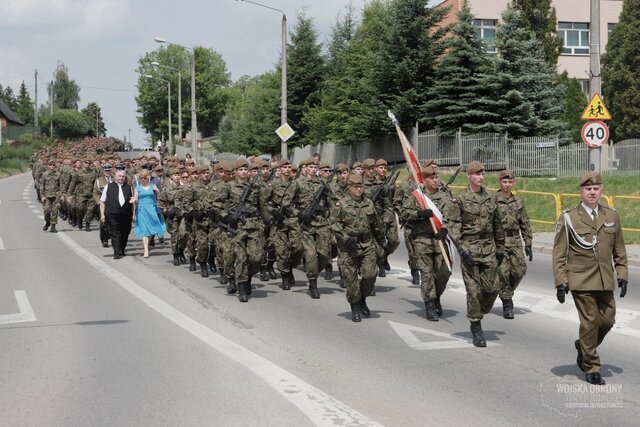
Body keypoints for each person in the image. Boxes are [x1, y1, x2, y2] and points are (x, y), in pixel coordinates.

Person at [553, 172, 628, 385]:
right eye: (588, 189)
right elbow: (559, 252)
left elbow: (619, 249)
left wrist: (622, 274)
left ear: (601, 191)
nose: (592, 192)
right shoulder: (569, 217)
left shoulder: (611, 215)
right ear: (581, 191)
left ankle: (584, 346)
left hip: (605, 279)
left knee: (608, 320)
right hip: (581, 279)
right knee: (590, 322)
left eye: (596, 189)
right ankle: (591, 366)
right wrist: (561, 281)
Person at [444, 161, 504, 347]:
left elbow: (498, 225)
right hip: (469, 248)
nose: (480, 177)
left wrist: (500, 248)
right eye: (476, 174)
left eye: (482, 174)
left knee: (492, 288)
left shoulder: (491, 198)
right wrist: (462, 250)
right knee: (473, 291)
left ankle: (481, 310)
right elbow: (452, 227)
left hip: (488, 248)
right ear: (469, 176)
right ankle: (476, 325)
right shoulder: (460, 199)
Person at [400, 166, 451, 321]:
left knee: (443, 272)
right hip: (421, 240)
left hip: (439, 240)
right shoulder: (416, 197)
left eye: (437, 178)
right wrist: (419, 214)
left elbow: (453, 217)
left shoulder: (445, 197)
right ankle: (429, 304)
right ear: (424, 180)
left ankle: (436, 297)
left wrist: (446, 229)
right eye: (432, 178)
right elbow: (404, 214)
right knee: (427, 274)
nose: (436, 180)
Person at [333, 173, 386, 322]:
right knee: (351, 280)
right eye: (356, 187)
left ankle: (362, 298)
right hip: (348, 246)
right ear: (349, 187)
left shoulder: (368, 203)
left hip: (367, 244)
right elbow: (334, 223)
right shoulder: (341, 204)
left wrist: (382, 242)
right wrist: (345, 238)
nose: (359, 189)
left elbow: (375, 224)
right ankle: (355, 305)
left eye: (361, 186)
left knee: (370, 274)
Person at [494, 170, 533, 319]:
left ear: (513, 182)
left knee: (519, 271)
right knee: (503, 272)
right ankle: (507, 302)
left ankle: (506, 292)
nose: (507, 184)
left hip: (515, 241)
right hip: (500, 241)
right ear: (500, 182)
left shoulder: (518, 201)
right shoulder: (493, 200)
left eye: (510, 182)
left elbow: (525, 222)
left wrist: (528, 242)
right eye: (505, 182)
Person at [100, 170, 135, 259]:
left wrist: (134, 214)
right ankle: (116, 251)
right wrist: (102, 215)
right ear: (115, 177)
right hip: (112, 214)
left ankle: (122, 249)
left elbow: (133, 203)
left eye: (123, 176)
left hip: (126, 215)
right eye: (119, 176)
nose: (121, 178)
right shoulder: (108, 186)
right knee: (115, 233)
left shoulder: (129, 187)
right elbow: (102, 201)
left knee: (125, 233)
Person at [132, 169, 166, 258]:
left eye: (144, 178)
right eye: (141, 178)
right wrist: (134, 200)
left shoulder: (153, 186)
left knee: (151, 230)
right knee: (144, 230)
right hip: (142, 209)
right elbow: (136, 198)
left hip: (152, 209)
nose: (143, 179)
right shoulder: (137, 187)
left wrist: (157, 191)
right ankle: (146, 250)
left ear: (148, 178)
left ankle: (148, 242)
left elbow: (159, 197)